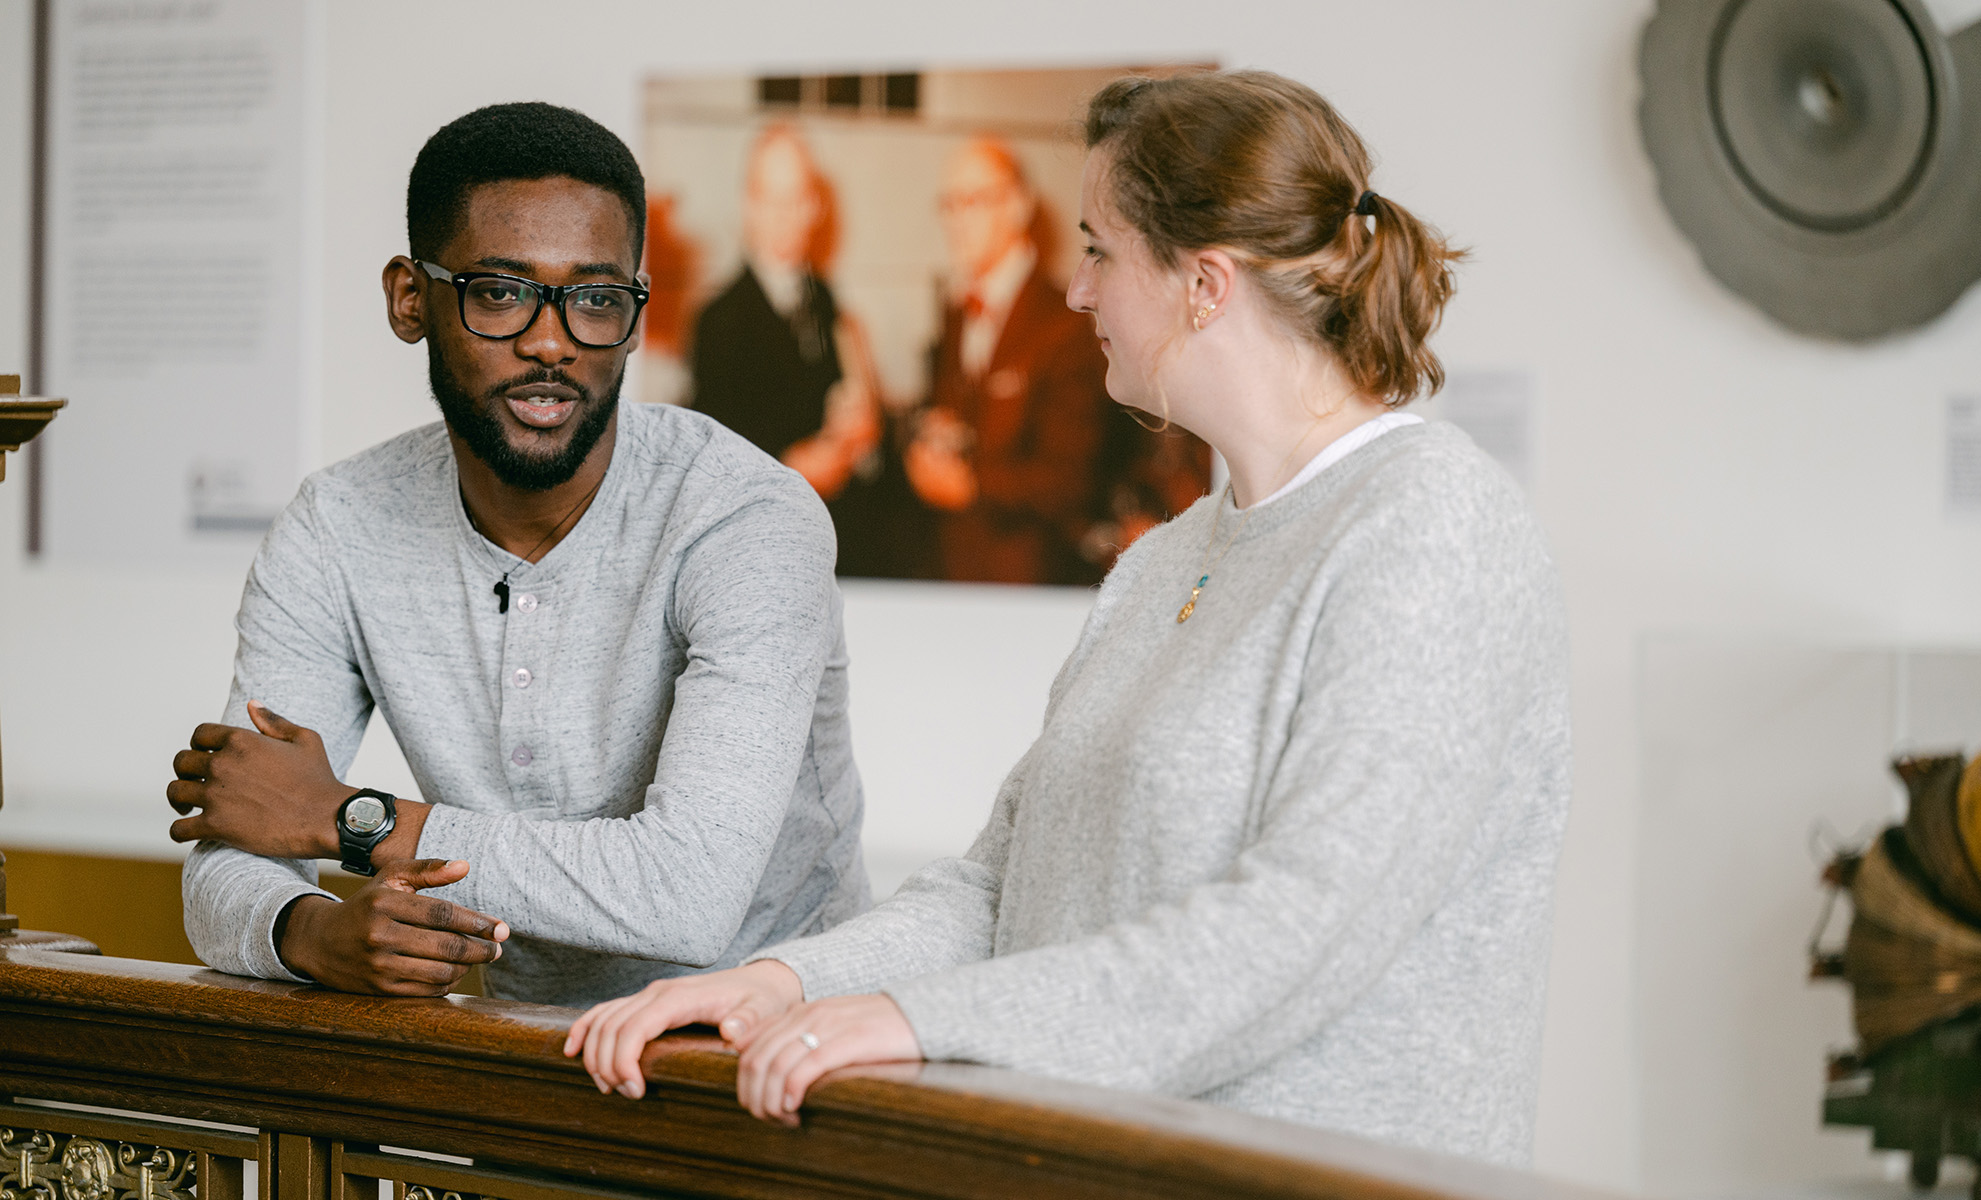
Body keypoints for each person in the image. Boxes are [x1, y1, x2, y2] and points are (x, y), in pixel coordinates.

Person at [566, 70, 1570, 1165]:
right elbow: (1001, 886)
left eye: (1098, 251)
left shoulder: (1431, 524)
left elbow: (1303, 927)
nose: (1077, 292)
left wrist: (919, 1021)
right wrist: (781, 983)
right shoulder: (1166, 560)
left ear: (1204, 283)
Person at [166, 102, 871, 1007]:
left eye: (596, 299)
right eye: (500, 292)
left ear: (635, 312)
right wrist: (311, 933)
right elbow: (240, 830)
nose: (550, 343)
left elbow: (686, 895)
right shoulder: (336, 526)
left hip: (783, 1045)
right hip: (517, 1050)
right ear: (410, 299)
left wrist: (347, 819)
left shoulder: (745, 517)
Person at [688, 124, 919, 578]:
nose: (784, 216)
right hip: (763, 555)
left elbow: (844, 412)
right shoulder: (717, 320)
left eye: (796, 199)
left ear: (815, 207)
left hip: (841, 543)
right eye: (769, 199)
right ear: (748, 205)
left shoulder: (826, 299)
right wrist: (791, 469)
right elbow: (710, 463)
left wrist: (861, 430)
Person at [902, 137, 1109, 585]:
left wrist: (971, 487)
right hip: (951, 569)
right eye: (948, 204)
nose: (955, 221)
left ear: (1018, 206)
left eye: (973, 201)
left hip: (1024, 582)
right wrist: (930, 433)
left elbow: (1071, 482)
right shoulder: (956, 311)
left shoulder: (1066, 325)